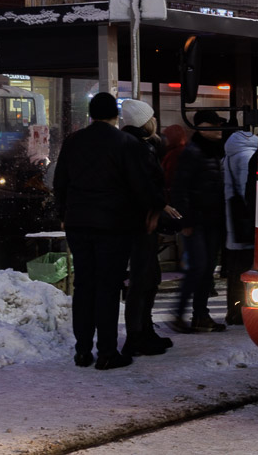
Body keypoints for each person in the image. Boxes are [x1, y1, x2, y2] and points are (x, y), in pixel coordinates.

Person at [54, 92, 158, 370]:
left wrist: (63, 214)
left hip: (78, 224)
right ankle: (107, 352)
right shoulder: (125, 143)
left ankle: (82, 350)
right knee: (108, 287)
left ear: (90, 114)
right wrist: (153, 210)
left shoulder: (73, 142)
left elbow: (60, 182)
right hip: (113, 225)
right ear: (115, 115)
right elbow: (141, 184)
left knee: (84, 285)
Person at [118, 99, 179, 357]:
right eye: (152, 118)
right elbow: (143, 185)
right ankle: (136, 335)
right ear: (145, 122)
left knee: (148, 277)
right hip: (140, 221)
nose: (156, 122)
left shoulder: (136, 145)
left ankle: (144, 330)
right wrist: (160, 206)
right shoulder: (138, 147)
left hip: (138, 220)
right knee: (143, 279)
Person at [170, 110, 229, 333]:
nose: (219, 129)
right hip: (197, 222)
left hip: (212, 220)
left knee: (206, 269)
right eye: (215, 125)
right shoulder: (193, 153)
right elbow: (180, 189)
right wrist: (185, 221)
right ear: (203, 127)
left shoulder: (210, 152)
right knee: (199, 268)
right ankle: (182, 313)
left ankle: (200, 316)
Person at [222, 127, 258, 325]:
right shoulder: (246, 155)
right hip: (244, 219)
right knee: (244, 268)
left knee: (235, 268)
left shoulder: (231, 153)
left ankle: (234, 311)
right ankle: (240, 312)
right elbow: (248, 189)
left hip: (234, 220)